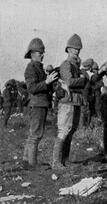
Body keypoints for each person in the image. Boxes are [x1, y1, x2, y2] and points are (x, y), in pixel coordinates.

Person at [51, 34, 87, 170]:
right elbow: (70, 82)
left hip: (75, 101)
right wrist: (83, 79)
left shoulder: (75, 65)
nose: (77, 52)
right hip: (67, 102)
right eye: (74, 49)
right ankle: (56, 162)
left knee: (70, 131)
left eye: (78, 49)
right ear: (68, 50)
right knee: (64, 131)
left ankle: (64, 160)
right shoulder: (66, 64)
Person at [23, 38, 58, 167]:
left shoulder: (38, 68)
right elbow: (32, 88)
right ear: (32, 54)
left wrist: (51, 82)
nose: (42, 55)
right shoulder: (31, 68)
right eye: (39, 53)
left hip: (40, 103)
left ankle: (26, 160)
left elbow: (41, 86)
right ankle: (32, 164)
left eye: (42, 52)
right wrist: (47, 82)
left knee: (34, 132)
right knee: (36, 134)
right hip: (37, 104)